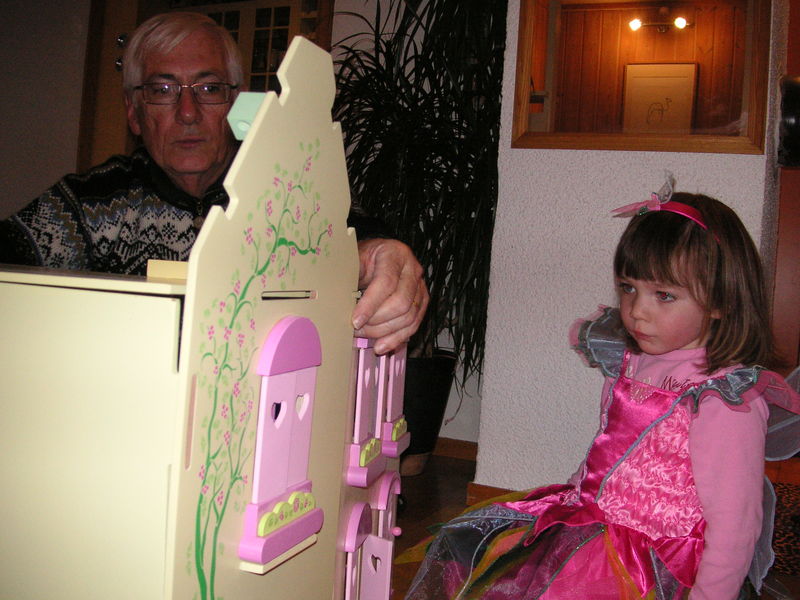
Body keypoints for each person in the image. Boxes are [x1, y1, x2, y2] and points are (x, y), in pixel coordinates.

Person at [403, 187, 800, 599]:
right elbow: (609, 450)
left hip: (654, 567)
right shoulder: (630, 361)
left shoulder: (723, 399)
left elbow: (735, 525)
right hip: (590, 527)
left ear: (721, 301)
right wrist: (571, 500)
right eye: (628, 288)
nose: (637, 310)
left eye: (664, 295)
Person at [0, 11, 428, 355]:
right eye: (163, 89)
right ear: (133, 111)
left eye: (208, 88)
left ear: (235, 103)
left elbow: (357, 238)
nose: (188, 112)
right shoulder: (89, 204)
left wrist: (378, 256)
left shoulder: (284, 188)